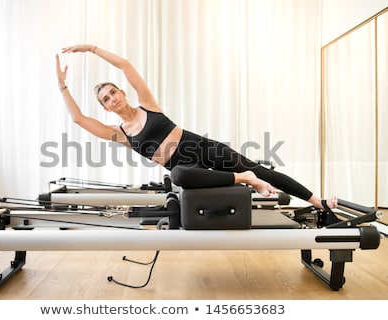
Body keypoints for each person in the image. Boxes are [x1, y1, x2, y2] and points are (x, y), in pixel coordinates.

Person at [55, 44, 337, 210]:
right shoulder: (122, 134)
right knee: (177, 175)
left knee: (260, 169)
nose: (111, 99)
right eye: (106, 99)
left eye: (113, 92)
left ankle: (317, 201)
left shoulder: (147, 104)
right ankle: (245, 179)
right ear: (105, 108)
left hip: (199, 147)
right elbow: (80, 119)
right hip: (187, 169)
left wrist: (90, 48)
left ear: (122, 92)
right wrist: (62, 86)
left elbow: (126, 65)